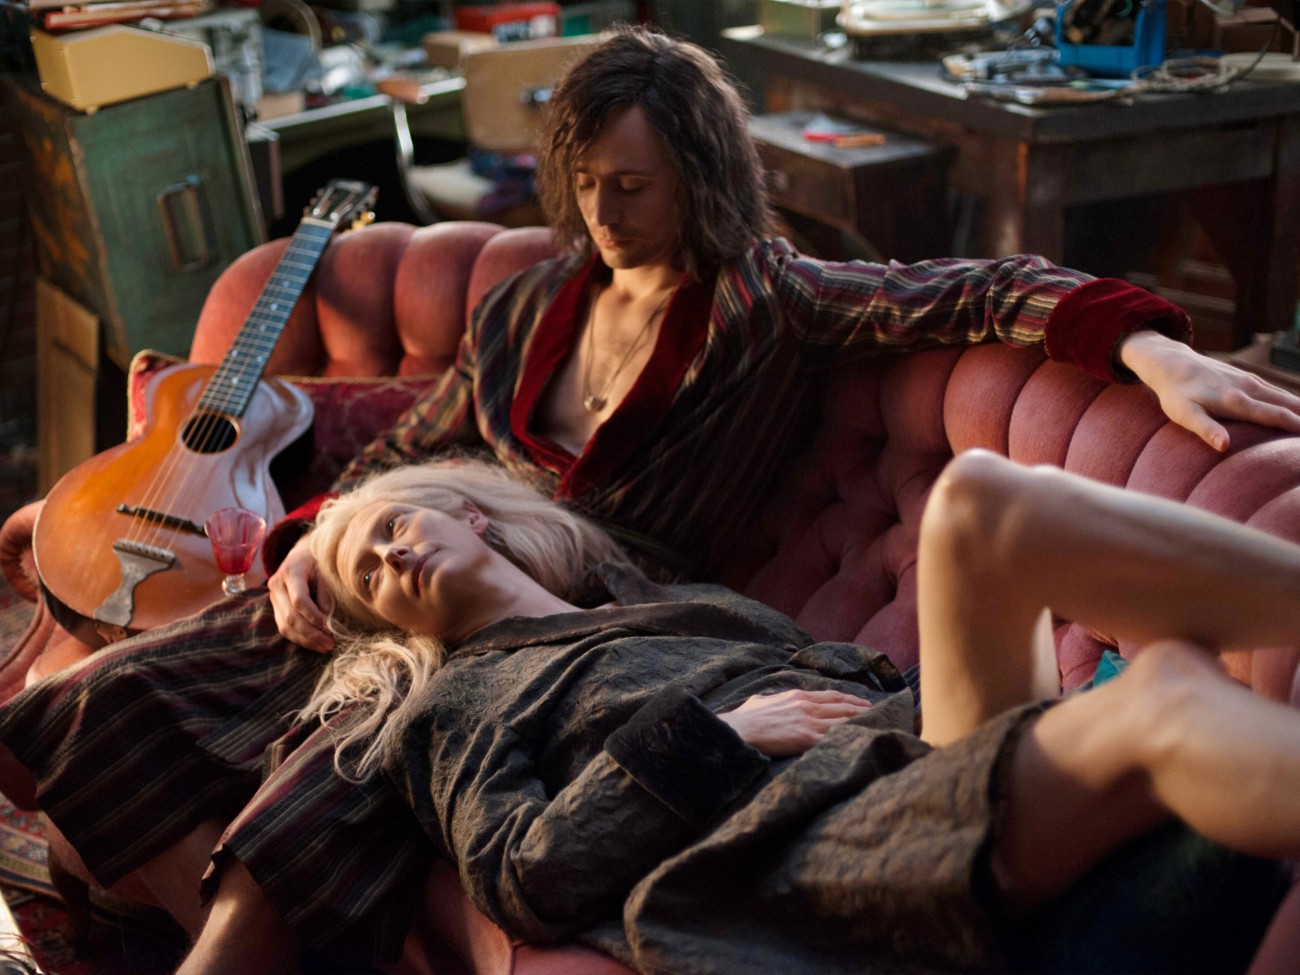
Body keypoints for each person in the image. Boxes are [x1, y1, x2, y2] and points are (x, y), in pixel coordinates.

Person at [5, 22, 1300, 971]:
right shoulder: (529, 305)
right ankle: (138, 917)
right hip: (437, 589)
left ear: (698, 175)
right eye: (584, 183)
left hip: (590, 618)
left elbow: (956, 289)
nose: (603, 209)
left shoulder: (760, 301)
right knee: (98, 696)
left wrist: (1143, 343)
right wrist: (310, 540)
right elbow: (416, 444)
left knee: (323, 791)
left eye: (633, 186)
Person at [208, 453, 1300, 974]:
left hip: (905, 750)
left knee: (981, 497)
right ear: (387, 623)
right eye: (368, 575)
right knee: (1168, 694)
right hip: (806, 847)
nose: (391, 555)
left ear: (466, 516)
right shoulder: (454, 708)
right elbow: (521, 872)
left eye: (394, 526)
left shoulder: (657, 597)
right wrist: (719, 738)